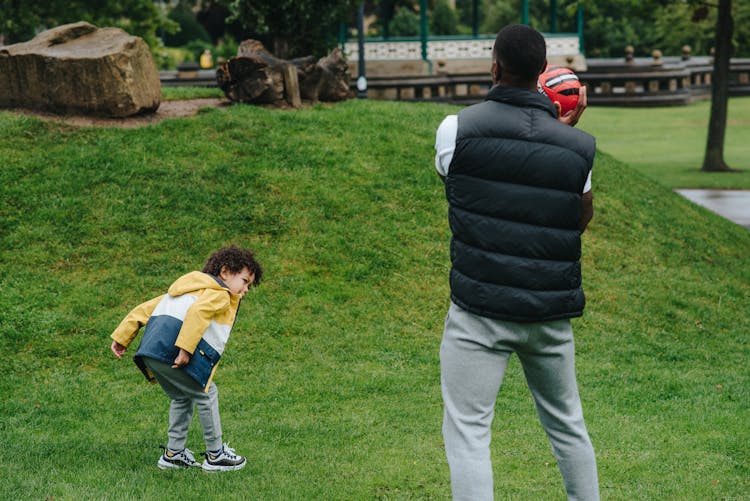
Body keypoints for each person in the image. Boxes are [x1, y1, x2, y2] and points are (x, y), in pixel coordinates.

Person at [434, 24, 599, 500]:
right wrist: (560, 136)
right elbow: (576, 218)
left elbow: (459, 182)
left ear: (494, 66)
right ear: (543, 72)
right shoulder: (579, 148)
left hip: (478, 310)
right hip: (548, 313)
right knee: (568, 425)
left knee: (469, 432)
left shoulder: (455, 128)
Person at [110, 245, 263, 472]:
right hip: (173, 353)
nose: (246, 289)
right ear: (224, 272)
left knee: (182, 396)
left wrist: (123, 337)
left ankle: (174, 454)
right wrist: (185, 350)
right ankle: (215, 455)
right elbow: (198, 314)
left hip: (151, 353)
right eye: (244, 280)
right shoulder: (219, 294)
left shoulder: (184, 290)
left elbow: (144, 309)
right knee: (206, 393)